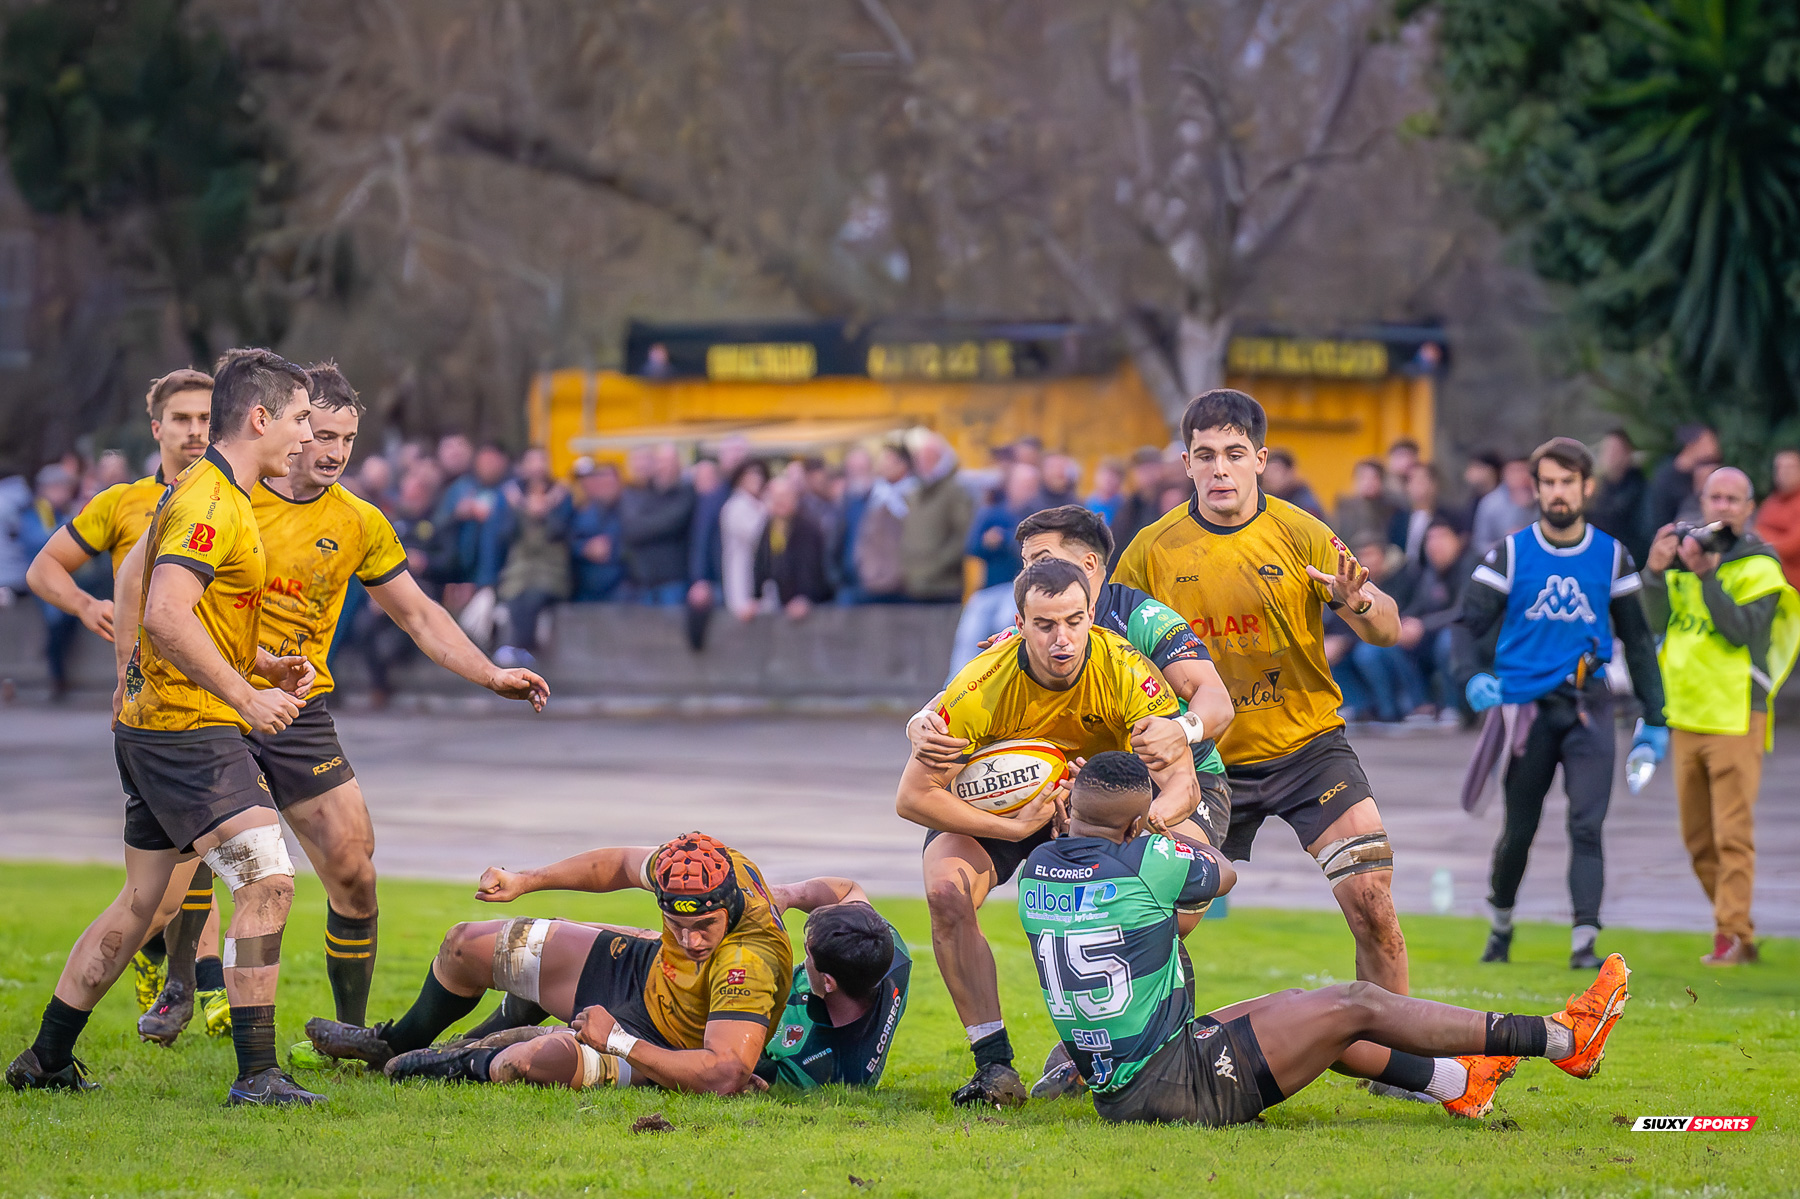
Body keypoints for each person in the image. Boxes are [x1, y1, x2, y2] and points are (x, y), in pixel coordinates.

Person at [136, 362, 550, 1061]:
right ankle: (183, 980)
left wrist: (490, 673)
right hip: (215, 700)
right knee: (201, 863)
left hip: (300, 710)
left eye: (347, 439)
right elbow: (159, 596)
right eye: (321, 433)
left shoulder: (358, 520)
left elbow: (418, 613)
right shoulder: (227, 496)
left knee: (355, 872)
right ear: (291, 426)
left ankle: (349, 1035)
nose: (333, 451)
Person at [6, 349, 323, 1105]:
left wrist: (262, 663)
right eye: (301, 419)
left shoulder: (218, 493)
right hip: (188, 730)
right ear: (260, 418)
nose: (309, 437)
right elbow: (166, 617)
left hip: (162, 725)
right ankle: (258, 1074)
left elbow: (192, 615)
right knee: (268, 879)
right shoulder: (211, 502)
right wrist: (248, 699)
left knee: (142, 901)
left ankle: (45, 1058)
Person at [1021, 751, 1632, 1126]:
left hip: (1127, 1079)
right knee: (1354, 1004)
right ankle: (1561, 1038)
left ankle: (1459, 1083)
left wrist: (1115, 824)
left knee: (1303, 1011)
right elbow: (1222, 873)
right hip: (1175, 1085)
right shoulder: (1145, 857)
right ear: (1136, 822)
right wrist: (1162, 825)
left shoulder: (1037, 870)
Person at [1113, 390, 1413, 996]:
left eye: (1234, 454)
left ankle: (1396, 1049)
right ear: (1187, 464)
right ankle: (1113, 1040)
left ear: (1260, 459)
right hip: (1204, 760)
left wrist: (1359, 602)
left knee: (1373, 904)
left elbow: (1387, 629)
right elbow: (1107, 647)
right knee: (1159, 917)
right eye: (1205, 456)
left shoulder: (1302, 533)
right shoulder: (1151, 551)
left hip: (1309, 750)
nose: (1219, 469)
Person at [895, 557, 1202, 1107]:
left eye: (1074, 621)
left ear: (1091, 616)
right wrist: (1013, 825)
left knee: (1187, 887)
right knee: (945, 891)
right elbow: (913, 796)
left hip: (1103, 809)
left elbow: (1184, 785)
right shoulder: (980, 685)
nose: (1062, 639)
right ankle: (993, 1066)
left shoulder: (1127, 671)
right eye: (1045, 625)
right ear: (1019, 623)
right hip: (1005, 809)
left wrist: (1139, 824)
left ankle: (1102, 1047)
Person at [305, 834, 793, 1096]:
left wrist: (620, 1042)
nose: (689, 939)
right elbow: (620, 865)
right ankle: (394, 1042)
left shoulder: (747, 961)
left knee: (532, 1061)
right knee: (466, 945)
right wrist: (525, 880)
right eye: (676, 923)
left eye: (704, 927)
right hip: (646, 971)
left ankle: (458, 1061)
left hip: (664, 1045)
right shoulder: (698, 863)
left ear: (730, 906)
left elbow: (722, 1074)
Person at [23, 368, 214, 1015]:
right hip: (153, 711)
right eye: (182, 419)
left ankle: (188, 982)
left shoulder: (239, 503)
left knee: (216, 855)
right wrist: (85, 604)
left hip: (227, 703)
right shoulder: (125, 503)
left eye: (206, 418)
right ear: (156, 428)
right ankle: (179, 977)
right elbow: (44, 567)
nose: (195, 431)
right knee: (172, 878)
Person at [1456, 437, 1667, 969]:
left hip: (1588, 706)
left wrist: (1655, 715)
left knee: (1586, 825)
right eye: (1547, 482)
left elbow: (1638, 641)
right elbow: (1466, 626)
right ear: (1535, 488)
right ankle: (1501, 926)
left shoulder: (1612, 555)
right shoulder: (1510, 553)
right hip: (1527, 711)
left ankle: (1584, 944)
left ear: (1587, 487)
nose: (1557, 492)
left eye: (1566, 482)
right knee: (1519, 830)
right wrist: (1473, 677)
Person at [1641, 467, 1799, 966]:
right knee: (1697, 839)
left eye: (1734, 499)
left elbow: (1742, 632)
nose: (1724, 506)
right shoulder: (1685, 551)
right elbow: (1653, 622)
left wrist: (1708, 576)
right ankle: (1737, 930)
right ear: (1703, 501)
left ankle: (1731, 932)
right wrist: (1653, 574)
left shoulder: (1760, 562)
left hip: (1737, 712)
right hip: (1686, 709)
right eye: (1716, 497)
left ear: (1749, 508)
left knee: (1732, 834)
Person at [949, 463, 1043, 675]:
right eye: (1021, 484)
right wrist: (988, 542)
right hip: (990, 586)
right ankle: (955, 684)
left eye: (1030, 485)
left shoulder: (1040, 516)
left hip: (1023, 587)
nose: (1025, 490)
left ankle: (1002, 678)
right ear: (1010, 485)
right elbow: (972, 547)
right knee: (969, 632)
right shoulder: (992, 512)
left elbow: (1034, 551)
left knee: (1006, 622)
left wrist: (1006, 539)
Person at [485, 448, 574, 666]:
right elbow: (502, 536)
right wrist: (522, 509)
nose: (537, 467)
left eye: (542, 460)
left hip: (551, 573)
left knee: (534, 597)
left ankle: (521, 647)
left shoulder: (562, 496)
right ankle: (518, 648)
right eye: (532, 461)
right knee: (516, 597)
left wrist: (545, 511)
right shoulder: (508, 497)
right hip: (519, 572)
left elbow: (561, 532)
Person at [16, 464, 80, 699]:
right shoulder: (34, 513)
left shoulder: (63, 512)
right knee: (57, 619)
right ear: (44, 489)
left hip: (64, 576)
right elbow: (38, 540)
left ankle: (57, 670)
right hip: (39, 577)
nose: (63, 493)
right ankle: (56, 677)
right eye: (58, 488)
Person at [1399, 519, 1473, 719]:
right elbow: (1416, 607)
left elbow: (1463, 611)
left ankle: (1456, 708)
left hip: (1474, 636)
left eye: (1442, 537)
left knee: (1448, 641)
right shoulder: (1428, 573)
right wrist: (1401, 624)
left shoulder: (1471, 565)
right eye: (1430, 539)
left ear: (1459, 540)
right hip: (1434, 634)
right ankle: (1421, 706)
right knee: (1394, 639)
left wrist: (1422, 625)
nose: (1435, 544)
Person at [619, 442, 696, 605]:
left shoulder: (687, 492)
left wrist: (643, 525)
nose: (665, 467)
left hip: (673, 580)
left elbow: (673, 521)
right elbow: (630, 530)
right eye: (661, 462)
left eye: (670, 462)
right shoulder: (643, 492)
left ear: (679, 465)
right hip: (643, 582)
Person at [901, 434, 973, 602]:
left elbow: (963, 535)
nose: (922, 463)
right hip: (914, 584)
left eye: (929, 458)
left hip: (945, 586)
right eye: (920, 458)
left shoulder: (954, 491)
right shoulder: (915, 492)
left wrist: (936, 565)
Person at [753, 475, 833, 617]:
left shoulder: (808, 528)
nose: (780, 502)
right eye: (775, 497)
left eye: (784, 496)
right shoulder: (769, 527)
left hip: (807, 606)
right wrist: (756, 599)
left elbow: (811, 569)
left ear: (795, 498)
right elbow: (761, 566)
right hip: (777, 604)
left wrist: (805, 598)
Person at [854, 444, 914, 600]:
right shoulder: (874, 496)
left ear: (903, 465)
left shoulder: (915, 496)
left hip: (906, 583)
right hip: (874, 582)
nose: (883, 465)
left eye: (888, 460)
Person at [1587, 429, 1650, 566]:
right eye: (1607, 450)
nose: (1610, 456)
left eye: (1615, 450)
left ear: (1628, 455)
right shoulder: (1594, 492)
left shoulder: (1641, 490)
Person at [1644, 423, 1720, 534]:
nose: (1715, 447)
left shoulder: (1700, 471)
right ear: (1693, 444)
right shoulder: (1666, 478)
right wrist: (1699, 492)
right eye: (1709, 440)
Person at [569, 459, 626, 602]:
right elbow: (564, 541)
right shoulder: (575, 510)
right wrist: (584, 549)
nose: (586, 483)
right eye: (581, 479)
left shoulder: (627, 507)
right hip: (584, 591)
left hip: (619, 591)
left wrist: (613, 549)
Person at [718, 460, 769, 618]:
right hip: (743, 577)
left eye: (759, 474)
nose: (756, 479)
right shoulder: (736, 506)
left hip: (762, 577)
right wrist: (770, 508)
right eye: (750, 475)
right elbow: (757, 535)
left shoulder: (758, 504)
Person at [1388, 462, 1455, 567]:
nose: (1418, 485)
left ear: (1433, 484)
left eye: (1422, 479)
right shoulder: (1398, 519)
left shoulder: (1449, 517)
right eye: (1412, 480)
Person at [1108, 446, 1167, 564]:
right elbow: (1116, 546)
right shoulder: (1129, 507)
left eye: (1151, 468)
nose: (1147, 475)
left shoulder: (1169, 502)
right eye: (1141, 470)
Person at [1470, 456, 1538, 559]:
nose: (1520, 477)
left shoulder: (1542, 498)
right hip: (1503, 559)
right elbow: (1479, 546)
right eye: (1514, 471)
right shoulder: (1490, 504)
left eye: (1524, 471)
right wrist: (1506, 543)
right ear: (1504, 474)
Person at [1754, 448, 1800, 592]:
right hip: (1770, 584)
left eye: (1790, 467)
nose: (1784, 472)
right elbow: (1753, 535)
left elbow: (1790, 547)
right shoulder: (1770, 502)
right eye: (1779, 467)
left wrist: (1762, 536)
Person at [1332, 459, 1396, 549]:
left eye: (1373, 478)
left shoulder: (1392, 509)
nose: (1368, 482)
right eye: (1363, 477)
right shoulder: (1344, 508)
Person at [1261, 448, 1325, 520]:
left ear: (1290, 472)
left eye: (1275, 471)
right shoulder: (1268, 500)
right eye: (1266, 471)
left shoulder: (1305, 506)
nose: (1269, 476)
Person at [1457, 451, 1503, 533]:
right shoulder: (1473, 502)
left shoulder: (1506, 500)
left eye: (1475, 467)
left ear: (1489, 470)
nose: (1468, 473)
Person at [1084, 457, 1126, 527]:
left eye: (1113, 476)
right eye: (1105, 475)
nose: (1108, 480)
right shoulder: (1084, 504)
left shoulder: (1126, 507)